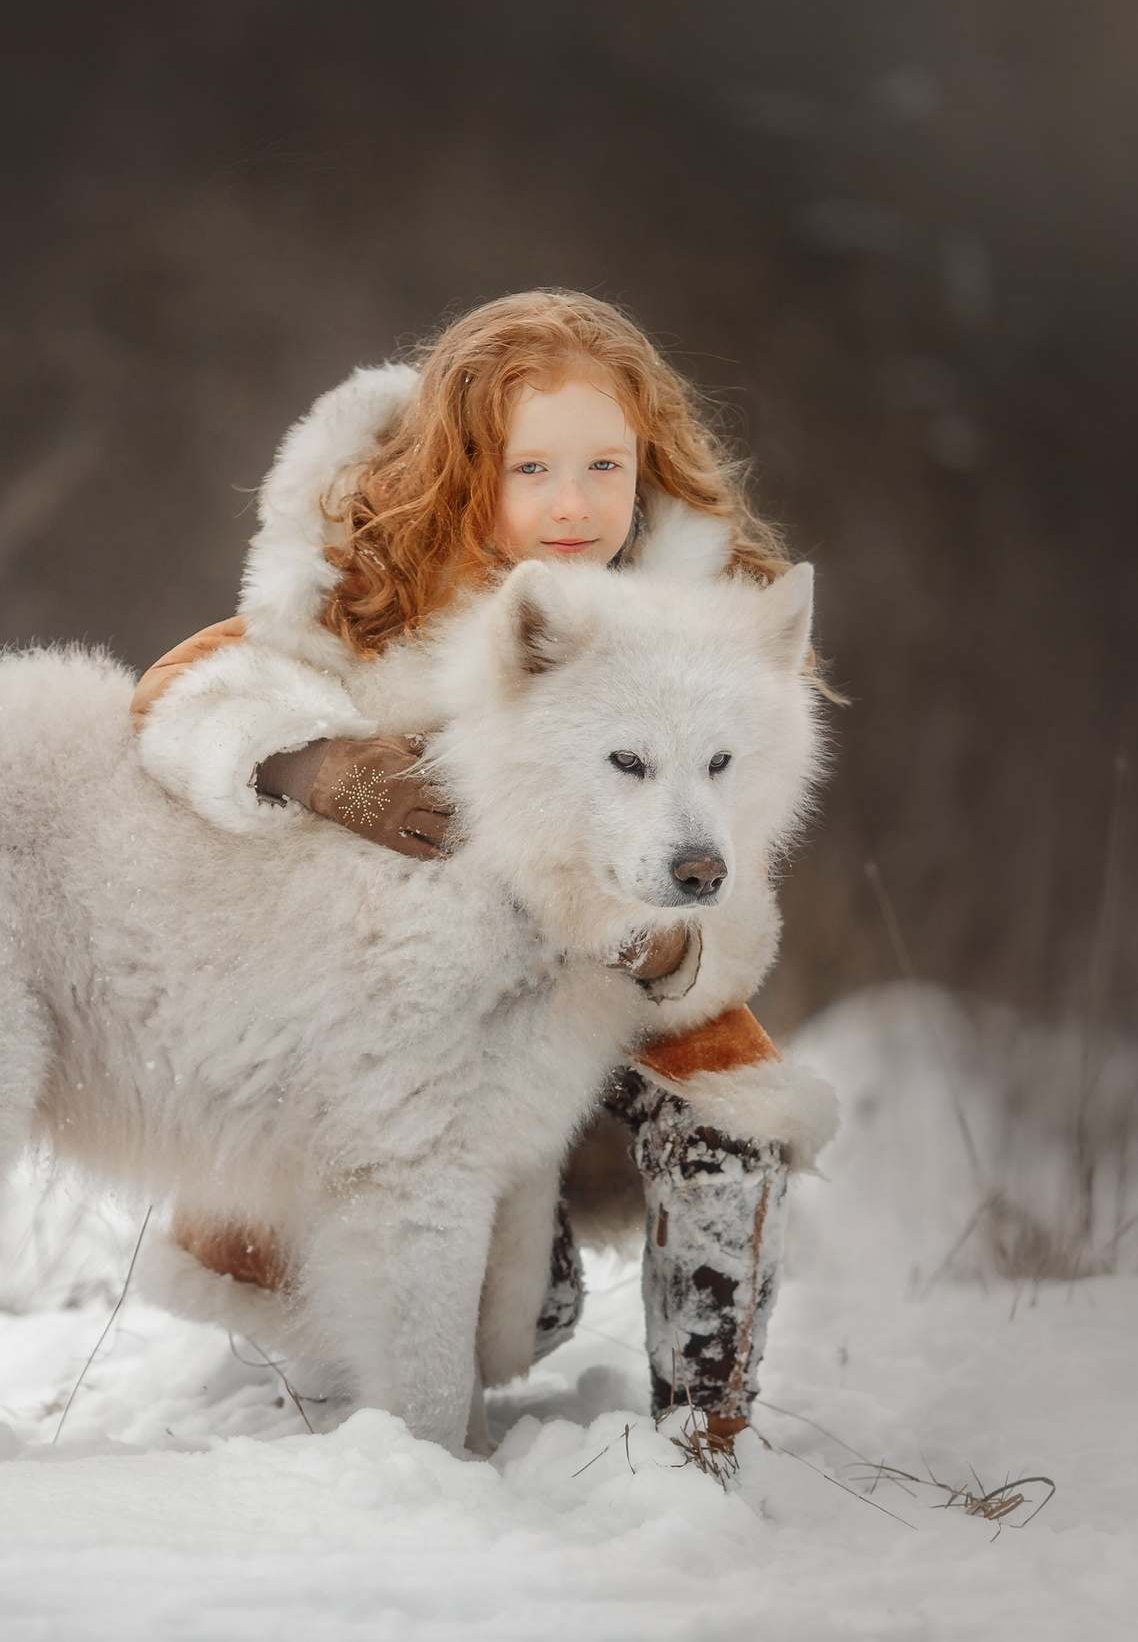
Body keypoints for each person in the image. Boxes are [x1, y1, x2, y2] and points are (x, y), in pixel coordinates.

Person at [128, 289, 836, 1461]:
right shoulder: (361, 592)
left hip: (599, 1020)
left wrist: (673, 948)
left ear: (646, 464)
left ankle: (703, 1436)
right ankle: (346, 1354)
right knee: (510, 1308)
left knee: (733, 1109)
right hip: (392, 1025)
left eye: (604, 465)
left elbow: (728, 875)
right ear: (467, 468)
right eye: (532, 468)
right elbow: (175, 692)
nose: (572, 504)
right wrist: (313, 767)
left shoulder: (702, 622)